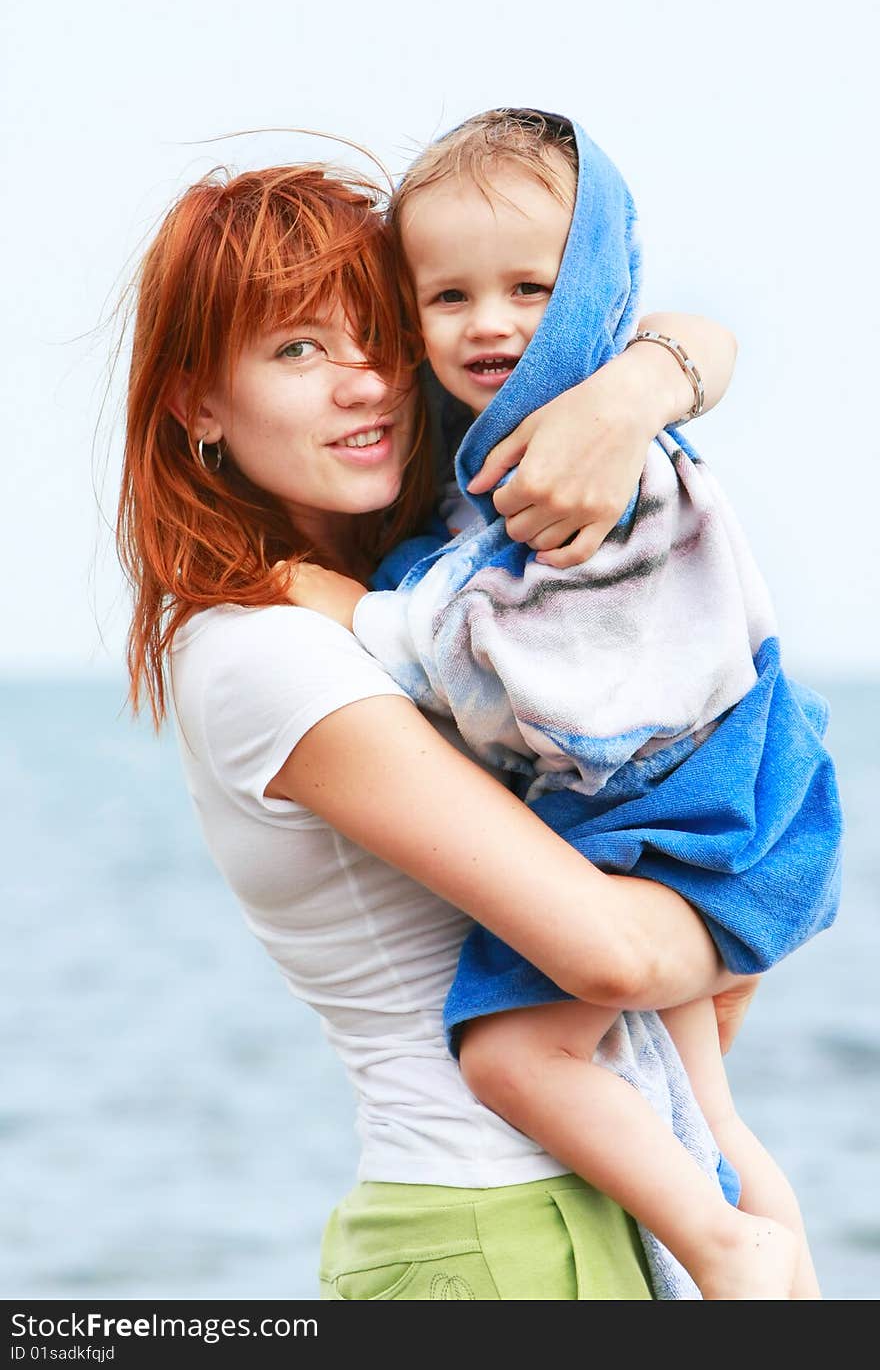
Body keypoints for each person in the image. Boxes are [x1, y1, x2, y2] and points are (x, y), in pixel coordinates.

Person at [118, 157, 761, 1302]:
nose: (361, 384)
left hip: (583, 1206)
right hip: (483, 1229)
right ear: (196, 403)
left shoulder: (440, 581)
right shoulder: (266, 646)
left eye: (374, 336)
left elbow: (681, 333)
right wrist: (762, 899)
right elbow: (610, 956)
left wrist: (626, 397)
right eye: (296, 351)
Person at [278, 111, 842, 1298]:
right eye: (448, 297)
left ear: (586, 287)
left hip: (669, 811)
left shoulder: (582, 462)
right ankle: (783, 1276)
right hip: (690, 797)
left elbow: (517, 667)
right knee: (705, 1106)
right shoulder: (525, 442)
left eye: (531, 286)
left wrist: (354, 613)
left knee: (511, 1054)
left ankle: (725, 1244)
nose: (491, 324)